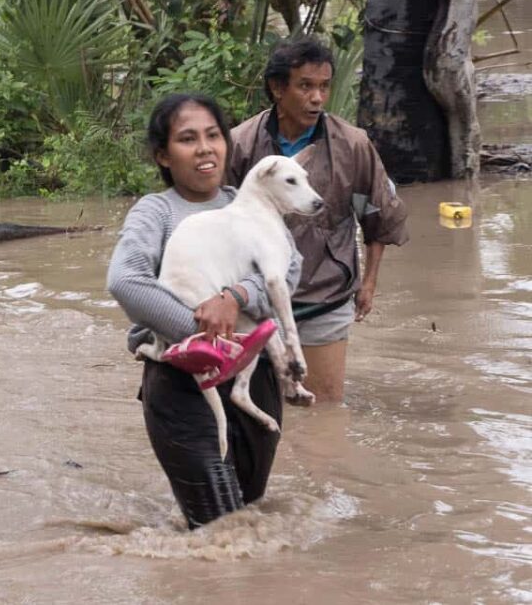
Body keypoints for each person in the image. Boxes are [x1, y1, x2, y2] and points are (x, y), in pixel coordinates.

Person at [107, 94, 302, 529]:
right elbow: (125, 280)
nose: (204, 148)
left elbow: (289, 275)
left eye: (214, 135)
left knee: (248, 514)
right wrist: (202, 338)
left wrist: (235, 296)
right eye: (187, 139)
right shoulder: (156, 213)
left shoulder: (255, 205)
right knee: (219, 526)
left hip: (257, 378)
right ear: (163, 155)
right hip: (181, 386)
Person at [225, 38, 409, 403]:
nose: (318, 98)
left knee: (323, 408)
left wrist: (369, 282)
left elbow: (376, 215)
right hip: (255, 297)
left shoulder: (353, 146)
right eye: (305, 86)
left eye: (324, 86)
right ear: (278, 89)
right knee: (257, 404)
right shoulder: (240, 145)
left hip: (326, 295)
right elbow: (220, 224)